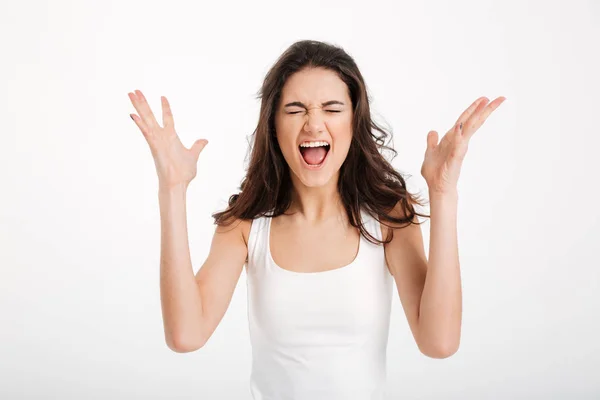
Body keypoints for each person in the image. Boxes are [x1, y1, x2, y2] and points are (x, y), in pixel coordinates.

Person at [127, 40, 505, 399]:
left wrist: (443, 194)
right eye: (295, 109)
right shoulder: (245, 226)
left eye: (332, 108)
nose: (313, 124)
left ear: (354, 121)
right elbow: (185, 335)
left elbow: (438, 342)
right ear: (274, 125)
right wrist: (172, 189)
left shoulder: (389, 217)